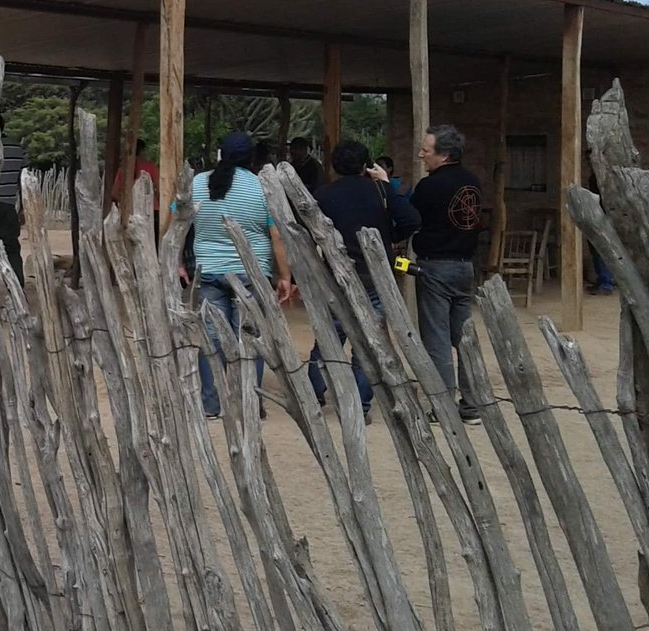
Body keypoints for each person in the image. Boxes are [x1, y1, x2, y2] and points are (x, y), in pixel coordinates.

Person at [308, 141, 421, 421]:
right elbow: (411, 220)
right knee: (368, 344)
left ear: (334, 165)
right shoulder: (381, 190)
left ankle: (314, 394)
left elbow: (308, 232)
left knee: (329, 338)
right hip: (374, 278)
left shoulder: (323, 195)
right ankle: (361, 406)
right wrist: (388, 238)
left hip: (336, 276)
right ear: (365, 165)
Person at [189, 131, 294, 420]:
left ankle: (212, 404)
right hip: (251, 274)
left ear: (220, 155)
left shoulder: (198, 183)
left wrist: (175, 260)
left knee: (211, 338)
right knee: (250, 336)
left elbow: (178, 220)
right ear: (252, 159)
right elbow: (277, 236)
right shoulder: (262, 188)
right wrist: (284, 275)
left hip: (208, 270)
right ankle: (250, 402)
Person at [411, 125, 483, 422]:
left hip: (436, 266)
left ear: (443, 155)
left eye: (426, 151)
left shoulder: (430, 186)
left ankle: (443, 406)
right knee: (464, 336)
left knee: (437, 338)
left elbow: (410, 216)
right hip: (465, 266)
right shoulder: (472, 182)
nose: (420, 155)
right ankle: (473, 403)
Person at [0, 131, 27, 283]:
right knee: (12, 249)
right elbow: (23, 179)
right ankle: (17, 286)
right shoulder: (17, 148)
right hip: (8, 205)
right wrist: (23, 208)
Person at [111, 138, 160, 208]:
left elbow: (114, 193)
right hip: (151, 210)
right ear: (142, 151)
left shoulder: (123, 169)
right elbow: (159, 190)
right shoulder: (151, 167)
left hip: (130, 212)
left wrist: (127, 203)